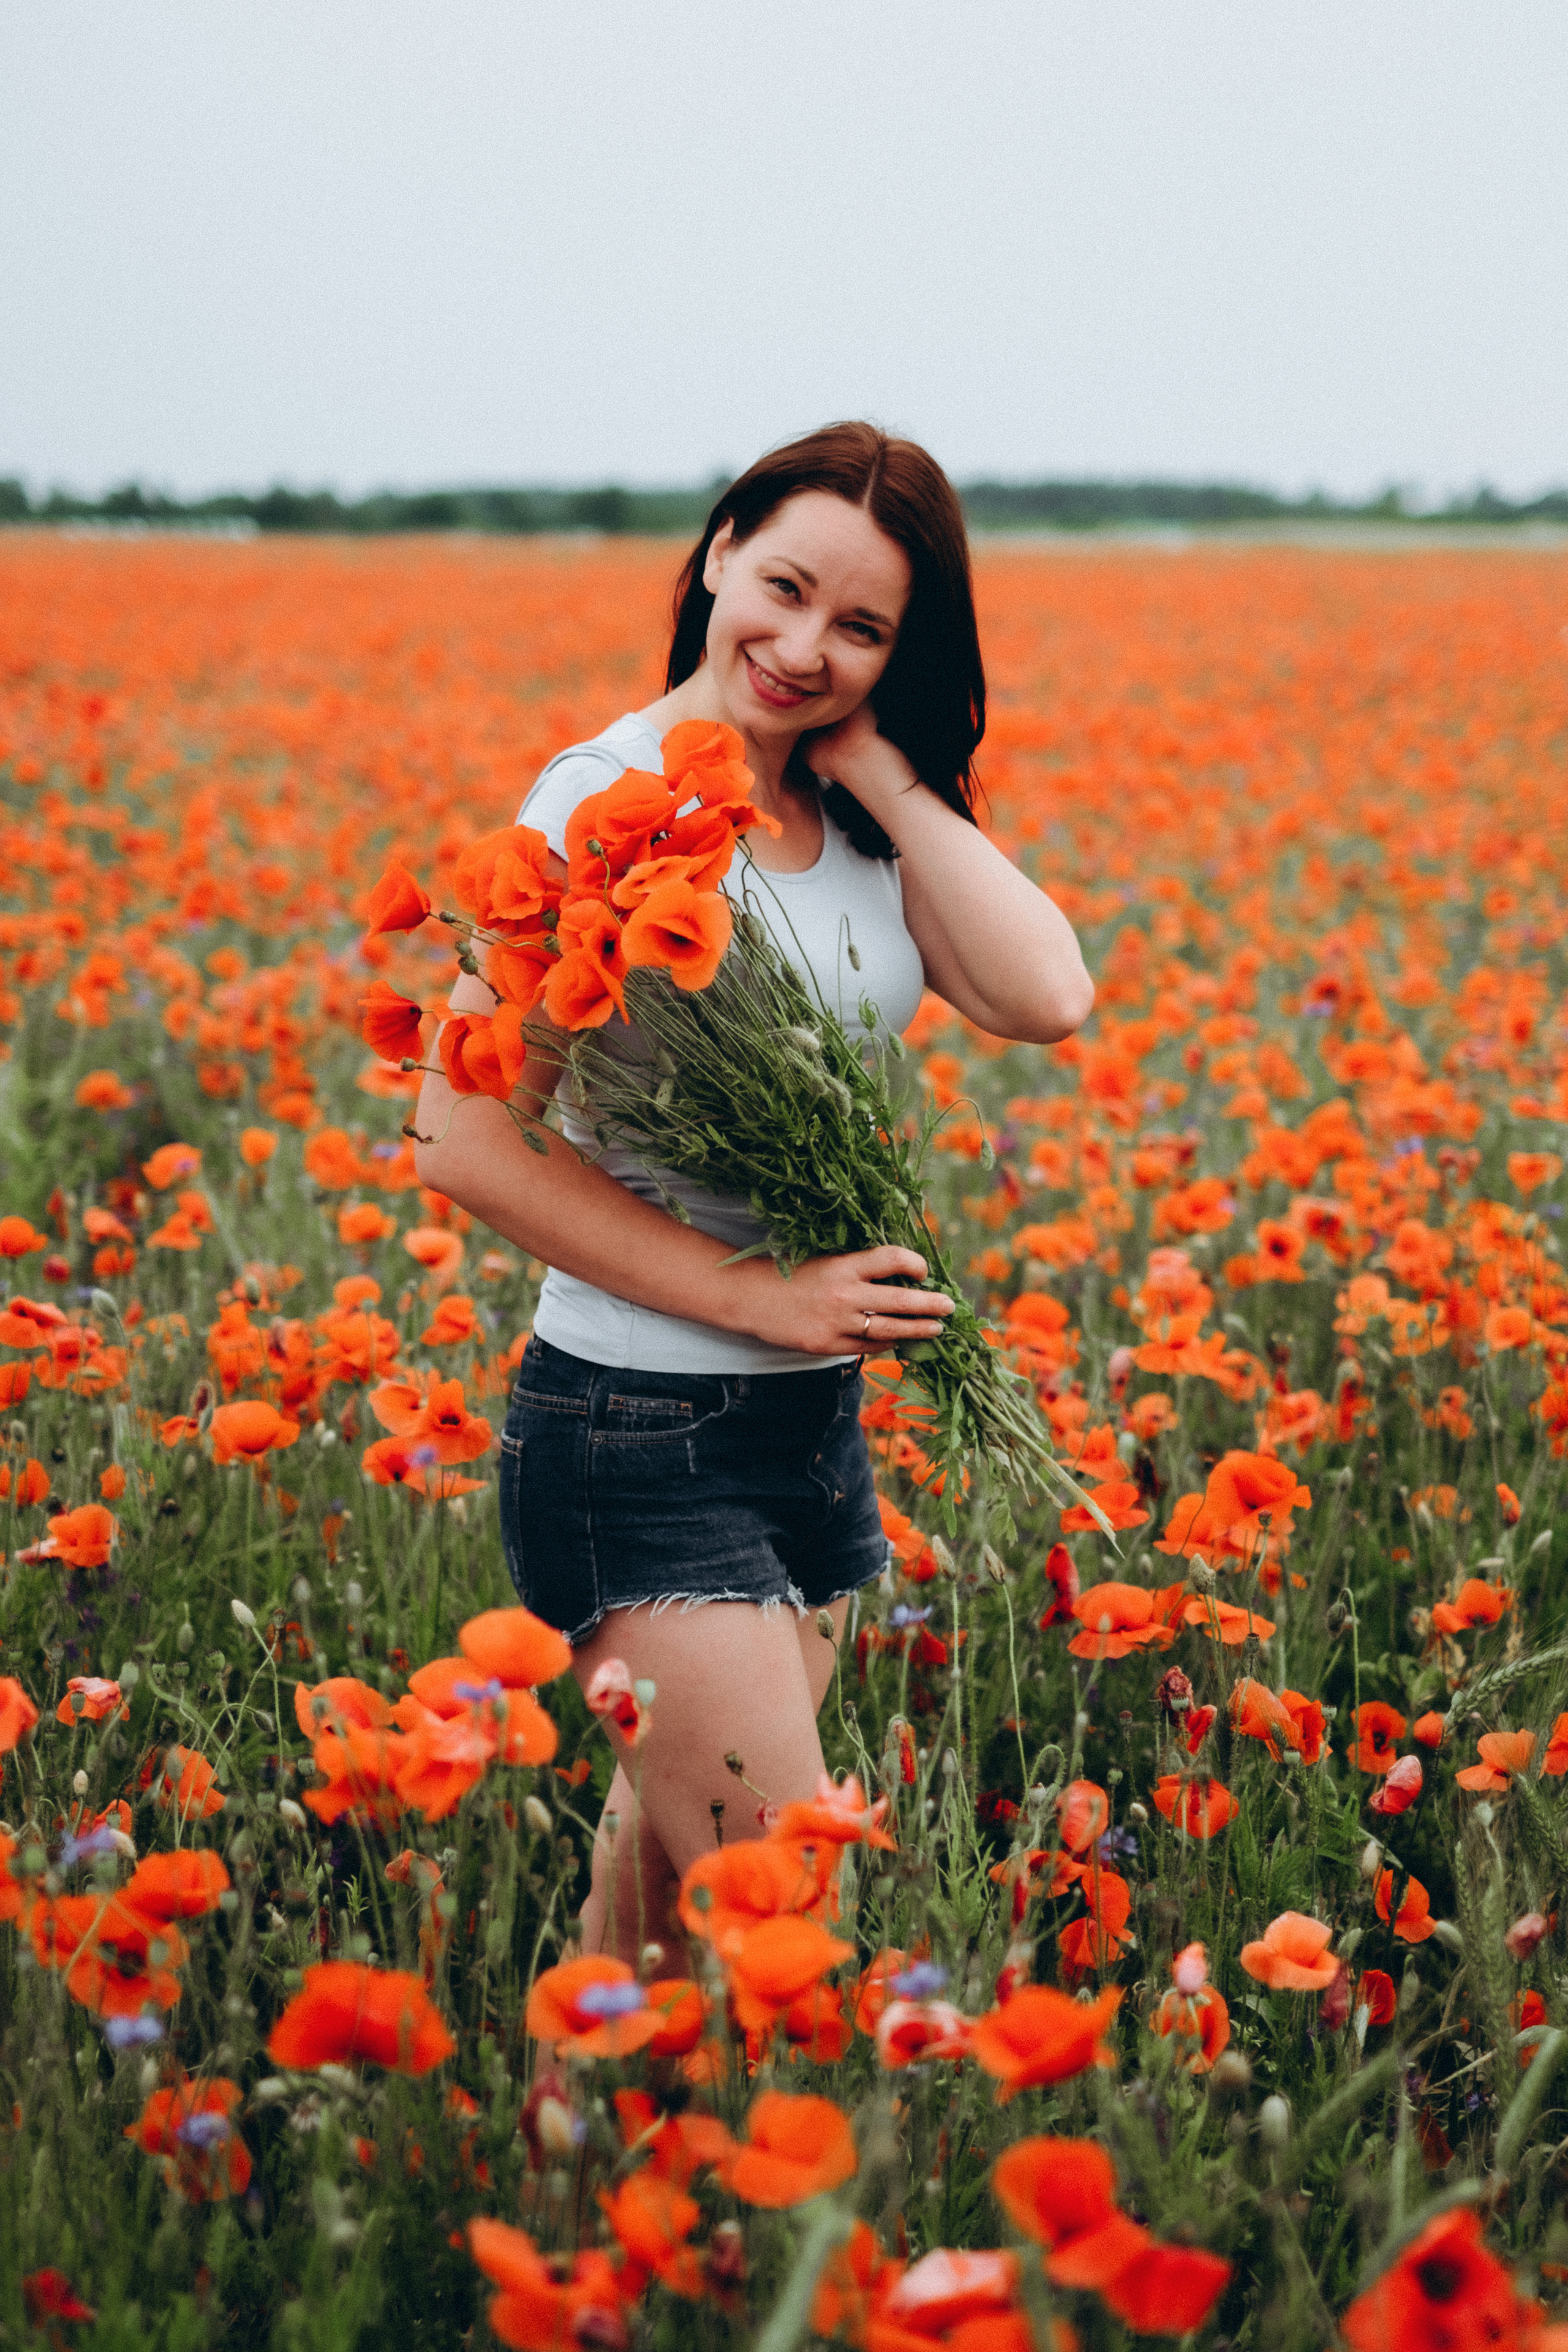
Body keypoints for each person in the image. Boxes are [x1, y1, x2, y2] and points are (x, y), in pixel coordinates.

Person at [412, 420, 1093, 1975]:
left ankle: (569, 2124)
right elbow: (460, 1137)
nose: (802, 650)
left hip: (807, 1428)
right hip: (635, 1433)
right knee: (792, 1931)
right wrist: (758, 1297)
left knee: (659, 1913)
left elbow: (1047, 996)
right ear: (719, 553)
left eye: (861, 627)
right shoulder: (597, 798)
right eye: (783, 589)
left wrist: (888, 778)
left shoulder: (851, 816)